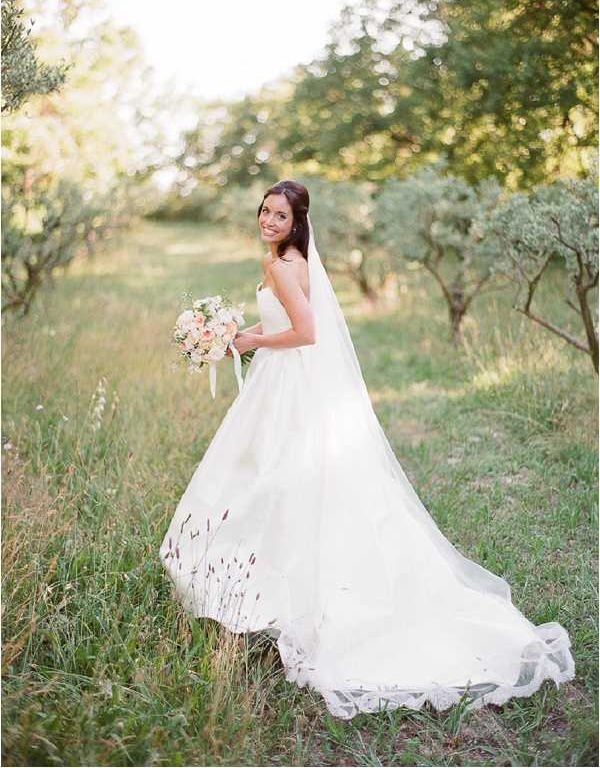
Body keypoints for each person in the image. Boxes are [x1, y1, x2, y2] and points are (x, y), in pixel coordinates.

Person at [160, 179, 575, 720]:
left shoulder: (279, 265)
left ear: (296, 222)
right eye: (263, 211)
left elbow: (305, 332)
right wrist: (237, 334)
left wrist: (256, 341)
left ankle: (277, 596)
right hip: (290, 380)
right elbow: (289, 318)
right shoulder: (297, 262)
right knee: (283, 483)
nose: (267, 221)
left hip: (288, 383)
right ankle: (279, 593)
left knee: (268, 482)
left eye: (279, 216)